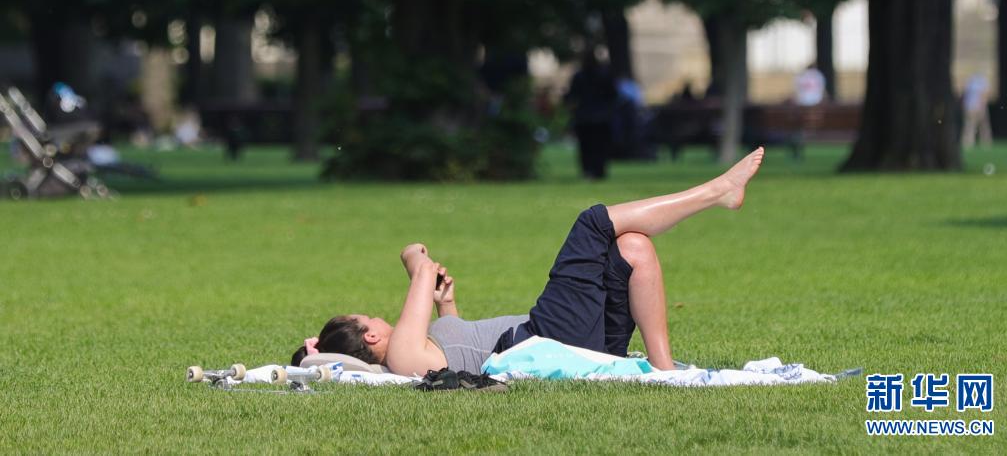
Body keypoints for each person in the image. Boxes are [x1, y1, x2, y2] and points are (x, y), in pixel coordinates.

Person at [292, 147, 766, 376]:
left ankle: (664, 371)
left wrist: (447, 304)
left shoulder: (421, 350)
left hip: (580, 339)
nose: (377, 316)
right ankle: (716, 192)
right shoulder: (401, 354)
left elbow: (464, 351)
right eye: (368, 318)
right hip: (550, 335)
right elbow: (417, 262)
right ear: (371, 335)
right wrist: (413, 258)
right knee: (592, 224)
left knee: (632, 248)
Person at [565, 50, 617, 179]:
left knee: (586, 146)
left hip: (584, 117)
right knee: (600, 146)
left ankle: (588, 170)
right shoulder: (604, 75)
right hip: (601, 117)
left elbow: (571, 96)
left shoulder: (579, 76)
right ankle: (599, 170)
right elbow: (613, 95)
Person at [961, 72, 992, 148]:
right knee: (978, 126)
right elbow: (984, 95)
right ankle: (983, 143)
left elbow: (965, 96)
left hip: (971, 107)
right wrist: (983, 107)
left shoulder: (971, 82)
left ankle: (969, 142)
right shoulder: (980, 82)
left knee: (972, 125)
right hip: (975, 107)